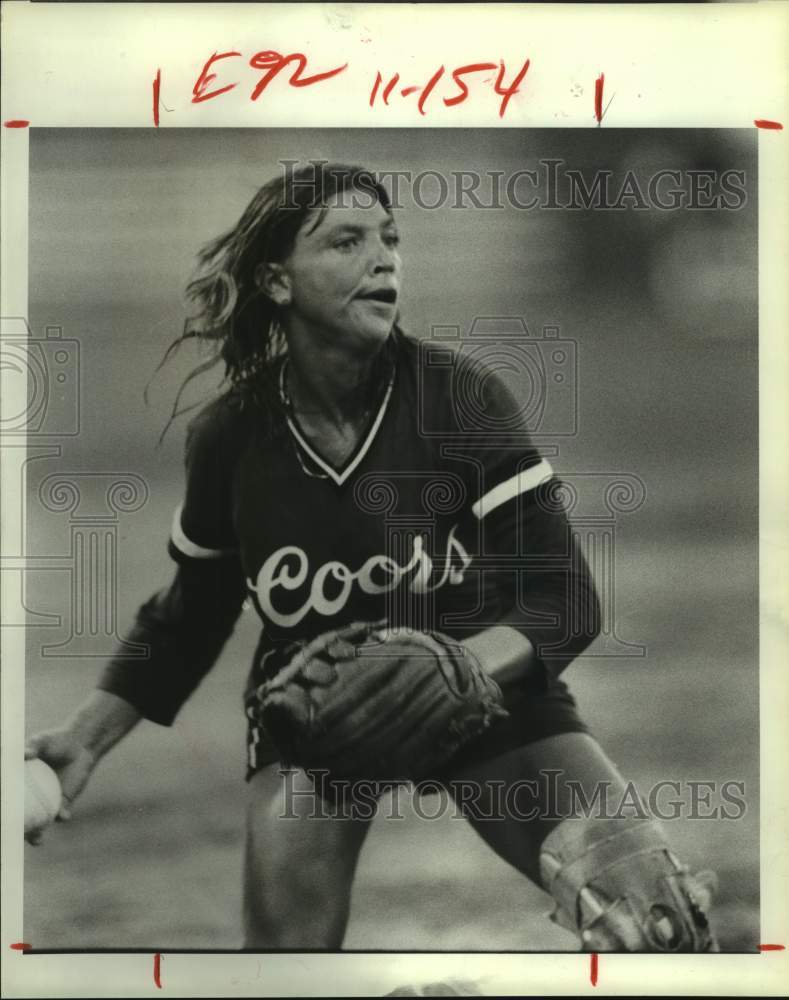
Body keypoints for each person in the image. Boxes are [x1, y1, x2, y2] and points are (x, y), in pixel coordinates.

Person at [25, 161, 717, 952]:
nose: (382, 257)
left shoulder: (458, 399)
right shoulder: (229, 437)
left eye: (389, 239)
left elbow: (565, 600)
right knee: (286, 972)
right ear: (278, 282)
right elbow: (192, 613)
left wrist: (455, 669)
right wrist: (87, 735)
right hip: (318, 711)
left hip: (491, 693)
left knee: (653, 917)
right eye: (346, 241)